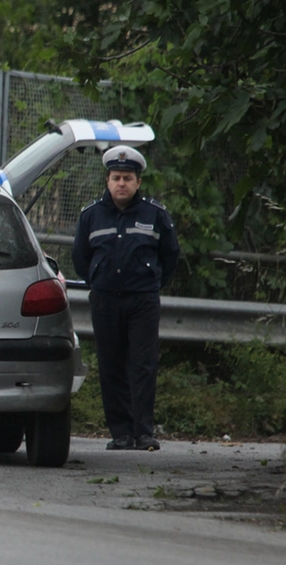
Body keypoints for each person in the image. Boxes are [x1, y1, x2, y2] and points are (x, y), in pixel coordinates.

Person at [71, 146, 180, 452]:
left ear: (138, 183)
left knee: (143, 365)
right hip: (106, 301)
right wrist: (98, 279)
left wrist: (153, 283)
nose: (122, 183)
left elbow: (170, 255)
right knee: (111, 365)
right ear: (107, 181)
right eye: (116, 177)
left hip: (142, 301)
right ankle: (120, 432)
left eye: (128, 178)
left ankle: (144, 432)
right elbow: (80, 257)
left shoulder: (155, 215)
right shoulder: (91, 216)